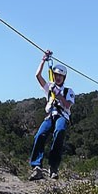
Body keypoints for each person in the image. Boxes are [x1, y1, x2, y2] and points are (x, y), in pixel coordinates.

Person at [28, 50, 75, 180]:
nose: (57, 77)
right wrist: (43, 60)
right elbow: (37, 75)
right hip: (50, 115)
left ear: (64, 78)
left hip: (61, 116)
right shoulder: (49, 87)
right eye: (56, 75)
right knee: (40, 135)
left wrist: (57, 93)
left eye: (60, 76)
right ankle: (36, 167)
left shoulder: (68, 91)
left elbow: (67, 105)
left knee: (59, 131)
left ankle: (53, 167)